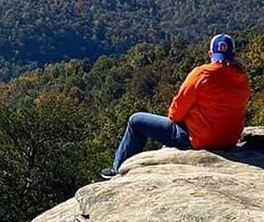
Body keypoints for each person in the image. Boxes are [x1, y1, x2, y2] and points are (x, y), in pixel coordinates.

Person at [101, 34, 251, 178]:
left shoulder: (201, 75)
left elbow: (175, 113)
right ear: (233, 54)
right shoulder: (242, 78)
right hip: (229, 140)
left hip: (199, 141)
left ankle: (117, 170)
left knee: (136, 121)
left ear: (210, 54)